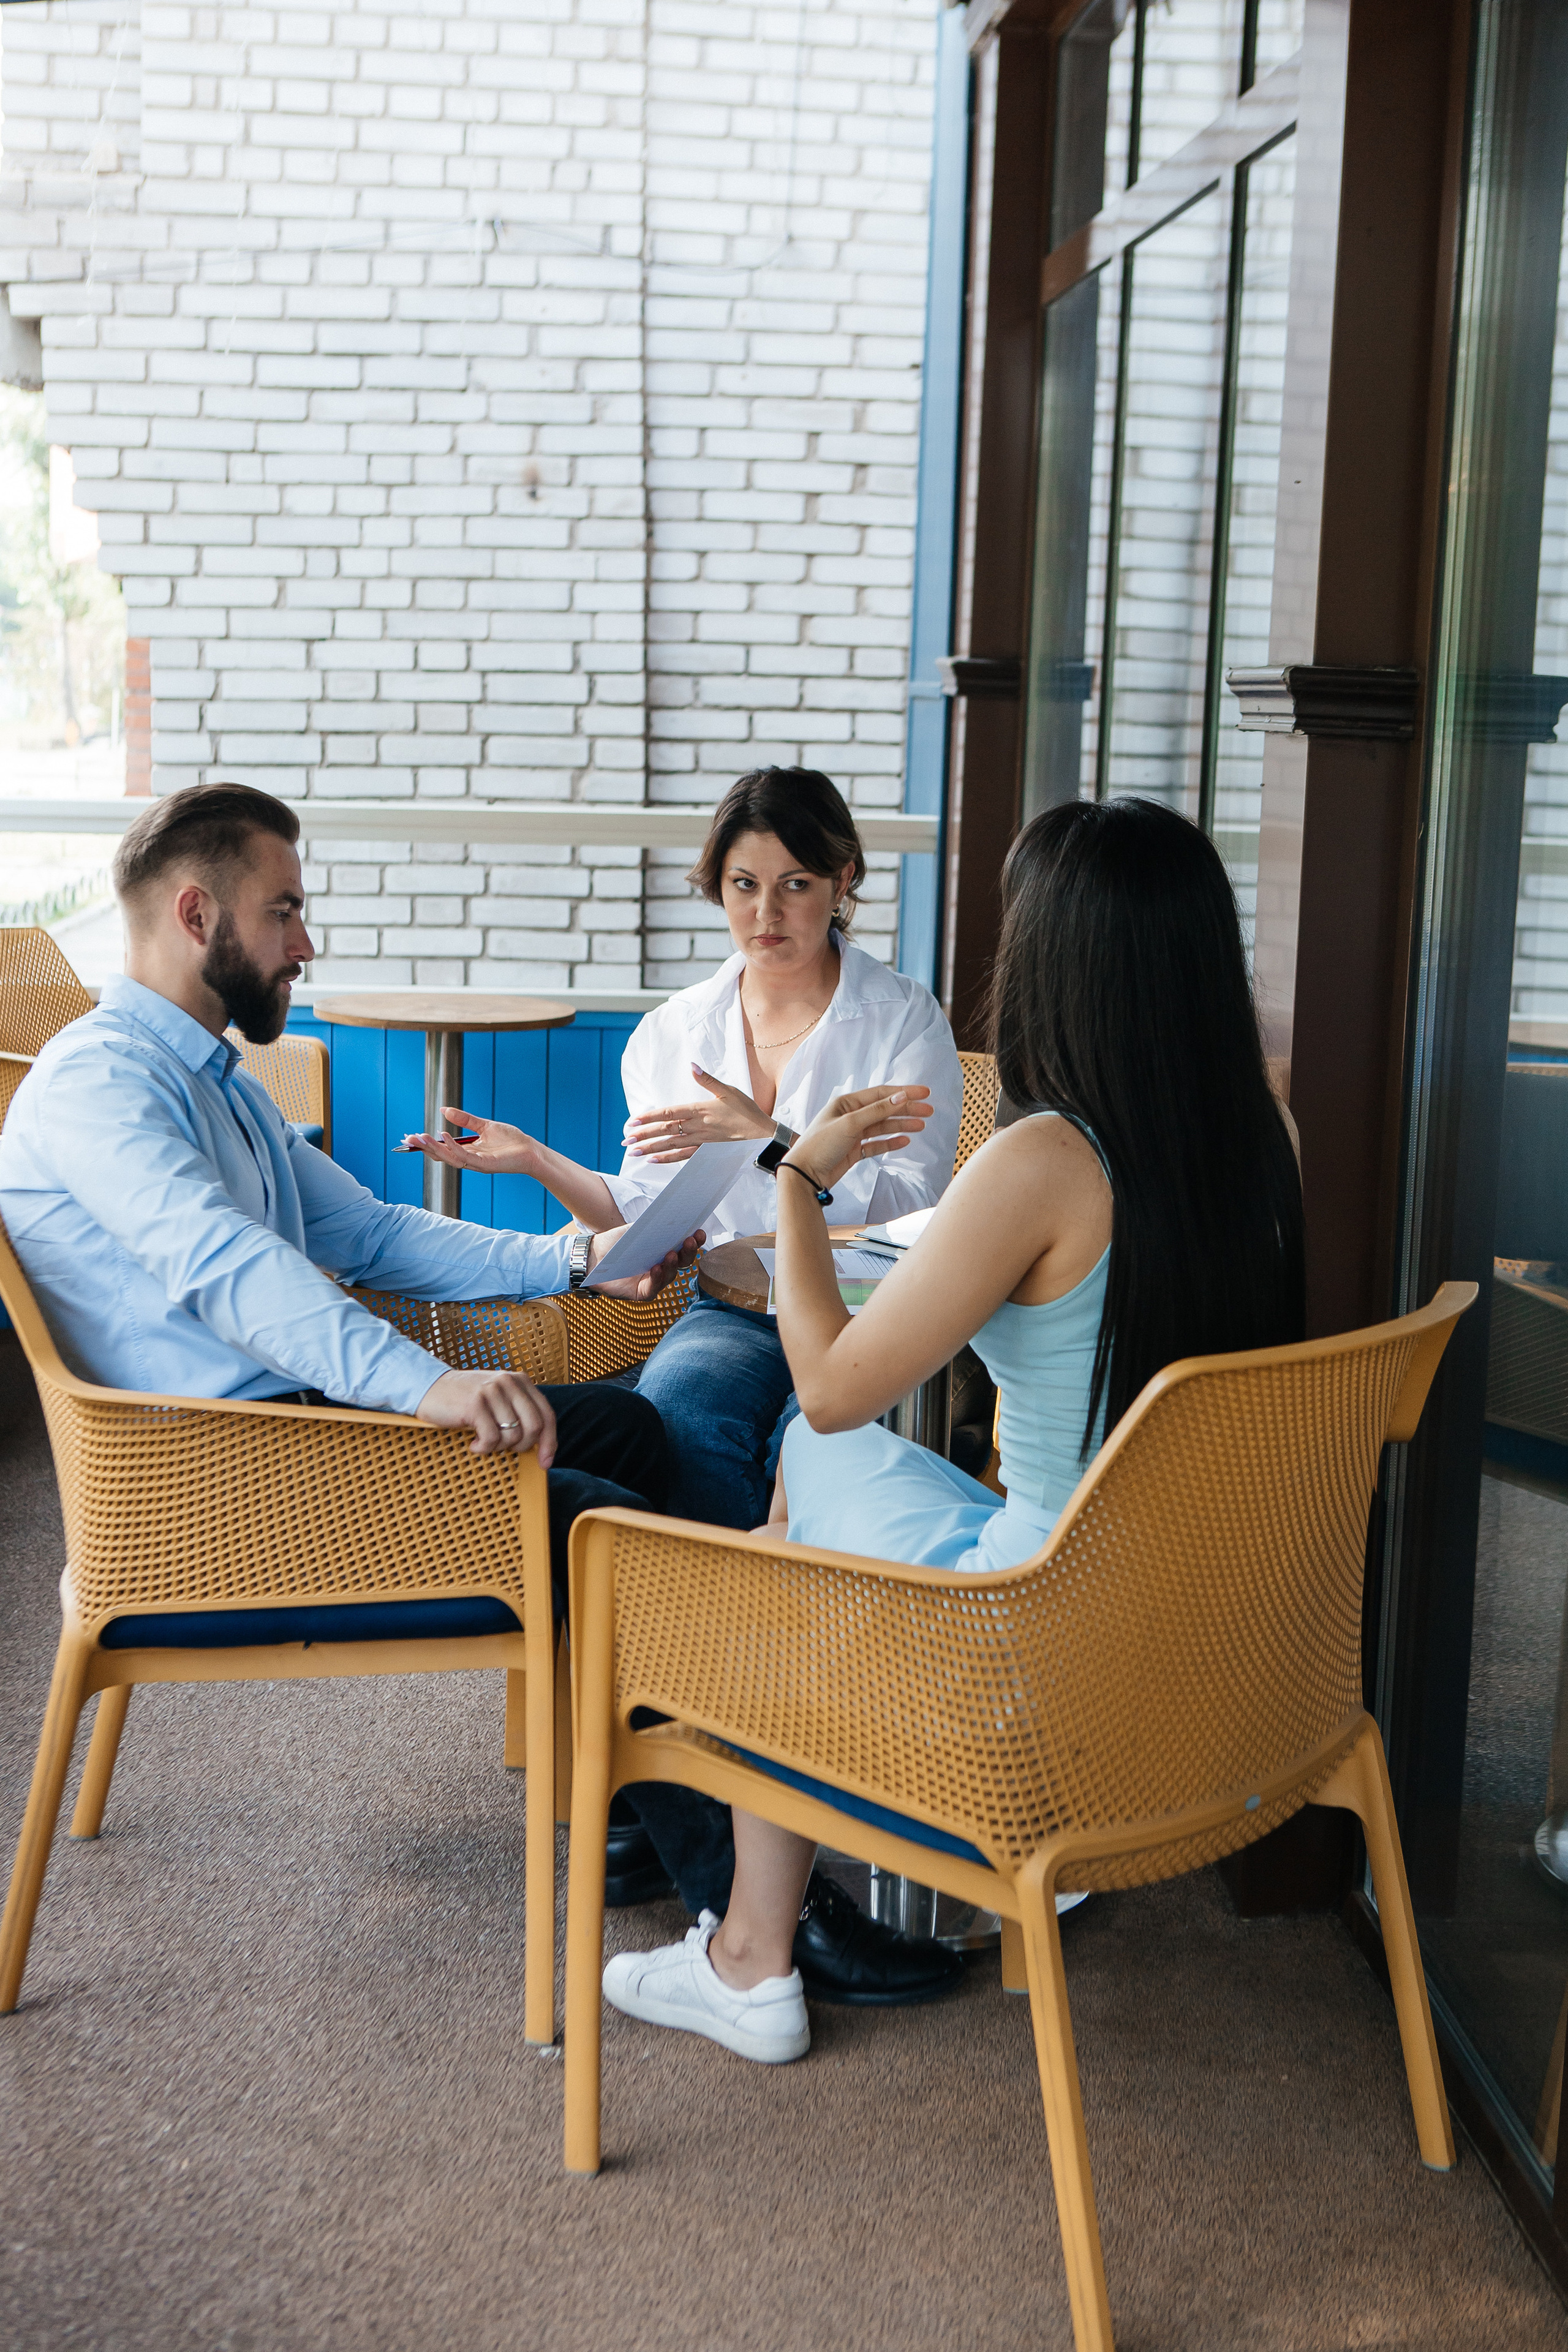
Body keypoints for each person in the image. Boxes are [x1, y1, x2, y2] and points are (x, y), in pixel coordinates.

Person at [601, 796, 1308, 2064]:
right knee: (815, 1481)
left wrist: (799, 1181)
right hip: (1205, 1668)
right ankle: (768, 1928)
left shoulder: (1042, 1160)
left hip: (1032, 1672)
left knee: (788, 1497)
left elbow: (825, 1384)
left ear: (1057, 962)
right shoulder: (1261, 1143)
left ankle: (751, 1954)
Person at [400, 766, 970, 2009]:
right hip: (728, 1311)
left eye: (795, 887)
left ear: (843, 886)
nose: (765, 914)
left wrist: (752, 1148)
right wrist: (536, 1162)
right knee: (682, 1455)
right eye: (741, 886)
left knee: (735, 1477)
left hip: (873, 1319)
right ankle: (699, 1786)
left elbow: (915, 1210)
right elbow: (646, 1222)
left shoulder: (899, 1022)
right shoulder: (672, 1033)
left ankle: (682, 1799)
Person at [0, 783, 705, 1603]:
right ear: (196, 917)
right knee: (614, 1535)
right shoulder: (99, 1081)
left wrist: (576, 1258)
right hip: (210, 1487)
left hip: (295, 1426)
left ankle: (591, 1714)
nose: (304, 945)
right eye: (282, 912)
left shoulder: (218, 1081)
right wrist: (426, 1385)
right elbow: (226, 1265)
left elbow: (370, 1234)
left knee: (629, 1428)